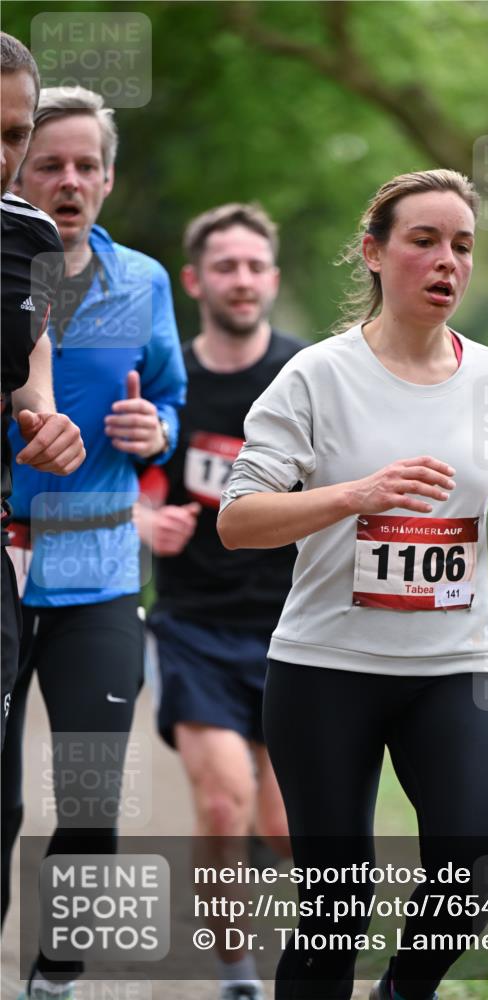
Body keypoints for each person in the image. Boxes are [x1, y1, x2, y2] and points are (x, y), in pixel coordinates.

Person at [218, 169, 488, 1000]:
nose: (448, 262)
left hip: (453, 667)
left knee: (473, 869)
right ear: (373, 253)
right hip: (326, 668)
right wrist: (354, 495)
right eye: (424, 241)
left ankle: (400, 994)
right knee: (337, 904)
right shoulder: (316, 377)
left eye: (463, 246)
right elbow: (237, 519)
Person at [1, 86, 186, 999]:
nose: (68, 181)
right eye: (49, 163)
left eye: (86, 165)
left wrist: (160, 433)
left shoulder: (145, 283)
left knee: (89, 800)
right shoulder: (3, 269)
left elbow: (173, 400)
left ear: (108, 178)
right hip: (4, 557)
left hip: (100, 570)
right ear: (17, 169)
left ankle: (56, 978)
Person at [136, 203, 300, 1000]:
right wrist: (143, 518)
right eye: (225, 266)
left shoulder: (309, 375)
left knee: (286, 827)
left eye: (255, 266)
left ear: (273, 279)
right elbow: (124, 479)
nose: (242, 279)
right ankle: (237, 976)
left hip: (296, 631)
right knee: (223, 798)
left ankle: (319, 969)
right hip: (194, 626)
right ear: (197, 280)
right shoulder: (169, 380)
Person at [1, 32, 85, 749]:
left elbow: (31, 385)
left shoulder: (32, 238)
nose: (2, 159)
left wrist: (49, 425)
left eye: (13, 136)